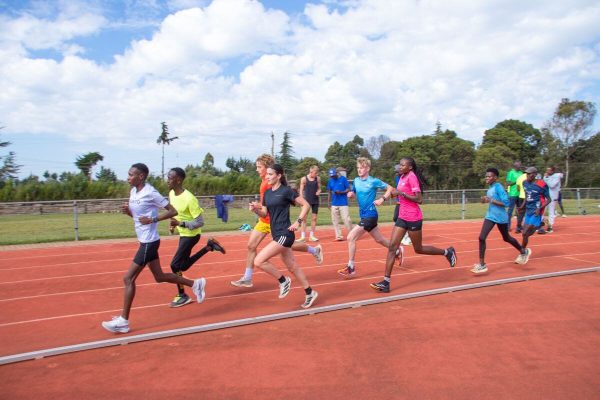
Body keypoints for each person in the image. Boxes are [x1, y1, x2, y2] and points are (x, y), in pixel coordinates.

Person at [102, 163, 205, 334]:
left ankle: (123, 321)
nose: (128, 177)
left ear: (141, 176)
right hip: (144, 241)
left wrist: (153, 220)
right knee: (159, 276)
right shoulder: (134, 191)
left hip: (150, 242)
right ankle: (196, 284)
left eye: (130, 174)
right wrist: (129, 212)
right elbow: (139, 216)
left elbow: (172, 211)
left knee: (128, 279)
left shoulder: (151, 192)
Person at [230, 154, 323, 288]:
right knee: (252, 246)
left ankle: (312, 256)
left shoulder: (271, 183)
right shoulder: (264, 183)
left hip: (275, 222)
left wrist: (298, 221)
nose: (257, 169)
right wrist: (257, 207)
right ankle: (248, 277)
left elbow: (282, 199)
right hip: (266, 219)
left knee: (287, 246)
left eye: (259, 167)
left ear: (270, 170)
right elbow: (267, 203)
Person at [370, 157, 457, 292]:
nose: (400, 166)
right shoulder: (402, 177)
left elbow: (419, 199)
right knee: (393, 247)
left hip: (413, 217)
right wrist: (394, 195)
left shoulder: (412, 177)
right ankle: (386, 282)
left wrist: (401, 193)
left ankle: (447, 252)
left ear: (409, 167)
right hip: (402, 217)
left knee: (418, 248)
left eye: (402, 165)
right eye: (399, 164)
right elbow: (400, 193)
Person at [249, 164, 319, 309]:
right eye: (266, 174)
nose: (267, 176)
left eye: (270, 174)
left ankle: (283, 281)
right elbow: (264, 214)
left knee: (259, 261)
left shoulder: (286, 191)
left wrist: (298, 222)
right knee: (292, 267)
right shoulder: (267, 194)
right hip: (276, 234)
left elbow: (306, 205)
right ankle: (310, 292)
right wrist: (256, 210)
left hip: (285, 234)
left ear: (279, 175)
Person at [166, 167, 226, 308]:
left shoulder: (189, 198)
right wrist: (173, 225)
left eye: (170, 177)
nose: (167, 180)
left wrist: (180, 223)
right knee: (183, 265)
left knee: (175, 265)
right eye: (167, 177)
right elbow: (175, 212)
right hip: (183, 234)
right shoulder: (171, 194)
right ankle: (209, 246)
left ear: (179, 180)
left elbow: (200, 222)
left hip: (192, 235)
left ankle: (182, 295)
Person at [338, 157, 398, 278]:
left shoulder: (373, 181)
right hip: (364, 215)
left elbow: (390, 188)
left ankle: (351, 267)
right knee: (379, 240)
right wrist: (351, 194)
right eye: (358, 168)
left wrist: (382, 199)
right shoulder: (355, 180)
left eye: (362, 167)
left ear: (368, 168)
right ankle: (396, 250)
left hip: (371, 215)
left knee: (351, 237)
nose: (359, 170)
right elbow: (354, 193)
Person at [470, 168, 528, 274]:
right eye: (486, 176)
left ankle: (523, 251)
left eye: (489, 176)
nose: (487, 178)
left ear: (495, 177)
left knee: (506, 238)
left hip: (501, 218)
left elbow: (506, 203)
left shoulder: (499, 187)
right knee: (481, 237)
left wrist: (491, 200)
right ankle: (482, 265)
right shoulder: (490, 188)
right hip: (490, 216)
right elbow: (491, 200)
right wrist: (485, 200)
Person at [516, 166, 551, 263]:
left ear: (535, 174)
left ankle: (523, 253)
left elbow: (549, 199)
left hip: (537, 211)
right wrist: (521, 206)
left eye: (529, 174)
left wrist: (539, 209)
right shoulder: (525, 183)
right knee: (525, 235)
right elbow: (527, 196)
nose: (527, 175)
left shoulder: (542, 184)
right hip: (528, 210)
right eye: (526, 174)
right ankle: (540, 224)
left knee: (525, 232)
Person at [326, 167, 352, 241]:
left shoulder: (343, 179)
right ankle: (339, 236)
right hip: (334, 203)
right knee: (335, 221)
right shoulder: (330, 180)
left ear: (336, 173)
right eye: (331, 176)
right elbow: (329, 192)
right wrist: (328, 202)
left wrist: (341, 192)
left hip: (343, 203)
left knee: (347, 220)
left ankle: (352, 234)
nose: (332, 177)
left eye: (333, 175)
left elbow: (348, 189)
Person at [298, 165, 322, 242]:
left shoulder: (317, 178)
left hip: (315, 201)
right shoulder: (304, 179)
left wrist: (319, 191)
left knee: (314, 218)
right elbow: (301, 191)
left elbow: (319, 188)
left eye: (317, 173)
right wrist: (301, 200)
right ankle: (302, 237)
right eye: (315, 173)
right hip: (306, 202)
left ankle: (311, 236)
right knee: (304, 219)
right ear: (311, 172)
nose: (316, 174)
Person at [543, 166, 564, 232]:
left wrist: (546, 178)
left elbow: (552, 185)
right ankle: (540, 224)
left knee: (551, 211)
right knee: (542, 210)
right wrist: (546, 178)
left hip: (553, 196)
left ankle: (550, 227)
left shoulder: (557, 176)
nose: (547, 172)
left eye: (548, 170)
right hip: (546, 196)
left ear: (552, 171)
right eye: (546, 170)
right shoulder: (546, 176)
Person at [506, 161, 523, 231]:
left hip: (520, 194)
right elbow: (508, 183)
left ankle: (519, 226)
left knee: (520, 210)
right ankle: (507, 226)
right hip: (512, 194)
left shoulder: (521, 173)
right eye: (519, 165)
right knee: (510, 210)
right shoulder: (511, 172)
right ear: (515, 166)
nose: (520, 166)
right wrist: (516, 181)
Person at [514, 169, 528, 234]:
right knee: (531, 211)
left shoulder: (519, 178)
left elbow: (518, 188)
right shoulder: (529, 177)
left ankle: (518, 227)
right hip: (528, 197)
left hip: (521, 196)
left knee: (521, 213)